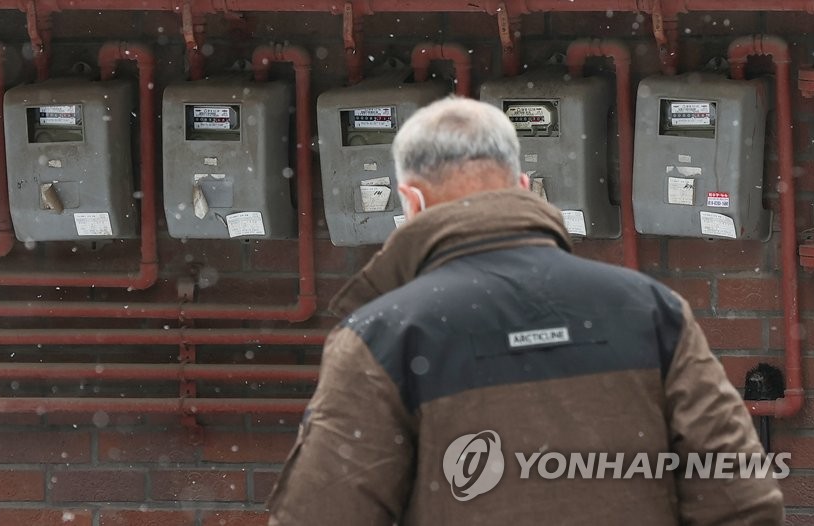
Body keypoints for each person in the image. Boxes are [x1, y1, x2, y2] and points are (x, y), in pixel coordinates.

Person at [266, 97, 783, 525]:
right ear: (521, 186)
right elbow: (742, 502)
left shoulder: (382, 337)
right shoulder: (651, 310)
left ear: (412, 202)